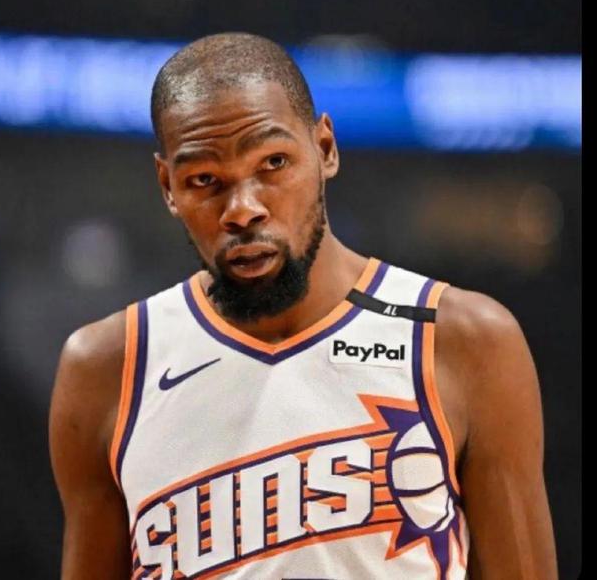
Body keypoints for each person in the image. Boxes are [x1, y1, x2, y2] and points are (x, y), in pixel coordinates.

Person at [49, 32, 558, 580]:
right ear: (168, 186)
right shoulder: (106, 370)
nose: (242, 209)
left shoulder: (464, 339)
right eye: (205, 180)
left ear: (325, 149)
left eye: (273, 163)